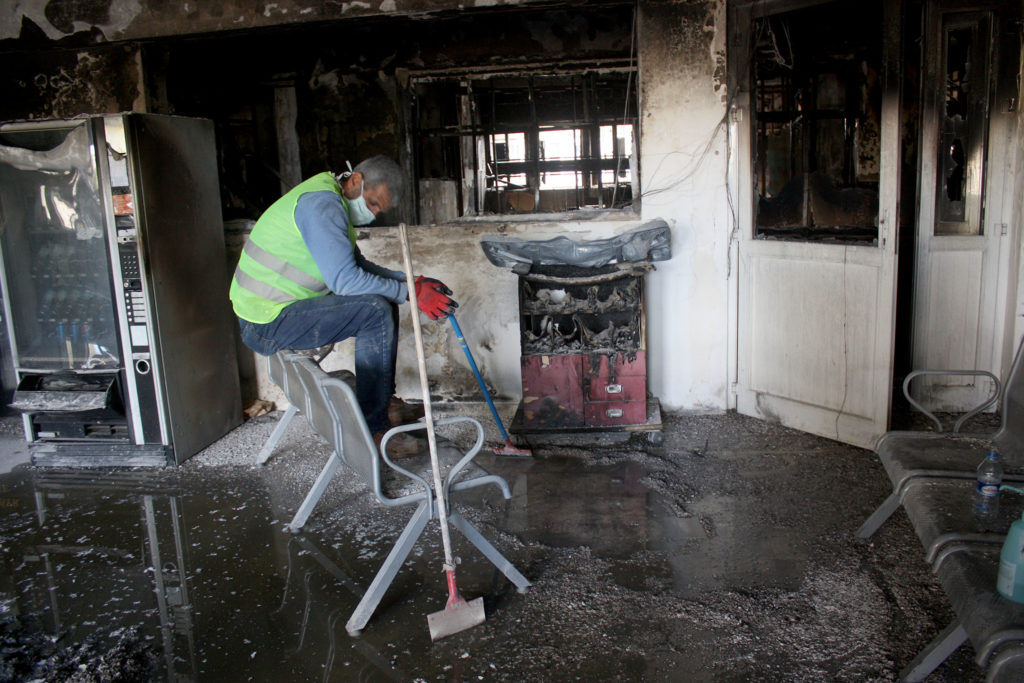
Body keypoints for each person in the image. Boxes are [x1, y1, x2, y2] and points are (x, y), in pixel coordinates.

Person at [229, 155, 457, 457]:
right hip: (265, 321)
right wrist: (411, 293)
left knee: (383, 301)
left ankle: (382, 404)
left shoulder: (331, 199)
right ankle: (375, 430)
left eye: (379, 210)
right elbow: (347, 282)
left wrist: (410, 281)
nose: (374, 214)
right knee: (374, 310)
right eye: (374, 203)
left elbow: (357, 266)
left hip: (278, 310)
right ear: (356, 180)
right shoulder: (323, 206)